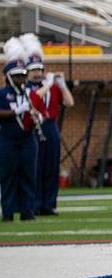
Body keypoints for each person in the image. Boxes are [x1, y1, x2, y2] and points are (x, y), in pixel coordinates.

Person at [24, 48, 74, 216]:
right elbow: (34, 98)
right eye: (33, 70)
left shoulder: (50, 86)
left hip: (50, 125)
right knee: (36, 166)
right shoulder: (26, 87)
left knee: (51, 166)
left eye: (39, 70)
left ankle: (49, 204)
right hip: (34, 127)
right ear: (28, 72)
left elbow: (69, 102)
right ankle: (34, 203)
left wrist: (62, 85)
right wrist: (49, 84)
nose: (37, 73)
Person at [0, 57, 45, 222]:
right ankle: (8, 212)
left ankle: (28, 211)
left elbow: (41, 112)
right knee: (8, 176)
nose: (21, 79)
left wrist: (38, 117)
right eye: (17, 75)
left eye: (23, 75)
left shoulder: (30, 94)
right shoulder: (2, 94)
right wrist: (17, 111)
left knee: (28, 175)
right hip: (7, 139)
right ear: (9, 76)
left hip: (27, 139)